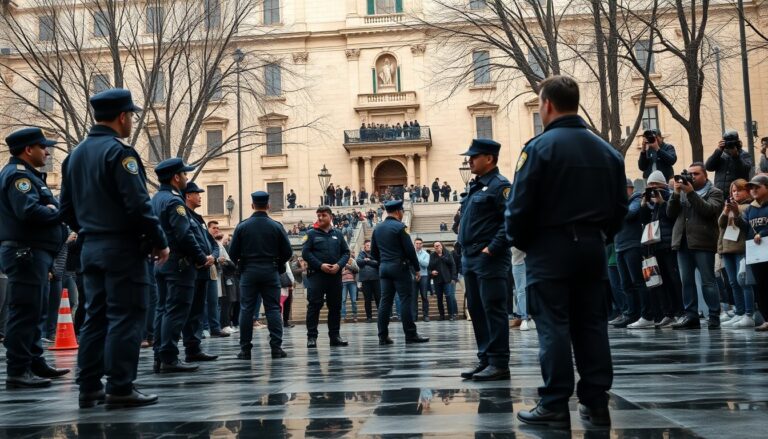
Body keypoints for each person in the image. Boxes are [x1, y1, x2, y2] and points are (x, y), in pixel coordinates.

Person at [506, 76, 627, 427]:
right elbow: (621, 207)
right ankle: (596, 402)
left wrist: (523, 241)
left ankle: (555, 402)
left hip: (550, 247)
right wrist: (601, 237)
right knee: (592, 326)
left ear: (546, 105)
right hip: (592, 247)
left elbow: (519, 206)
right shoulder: (608, 152)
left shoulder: (539, 148)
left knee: (553, 326)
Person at [60, 89, 169, 408]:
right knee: (127, 316)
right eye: (131, 117)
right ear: (122, 117)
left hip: (91, 247)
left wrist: (89, 230)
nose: (132, 122)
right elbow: (137, 205)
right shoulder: (120, 153)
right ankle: (121, 386)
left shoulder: (74, 156)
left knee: (95, 316)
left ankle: (89, 386)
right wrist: (159, 241)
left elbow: (65, 208)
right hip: (121, 249)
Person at [1, 128, 69, 389]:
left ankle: (34, 361)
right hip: (25, 252)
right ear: (28, 150)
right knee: (24, 312)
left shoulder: (27, 175)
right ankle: (18, 370)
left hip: (34, 253)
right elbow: (28, 210)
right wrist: (55, 211)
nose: (47, 152)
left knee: (35, 310)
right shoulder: (19, 177)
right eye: (43, 147)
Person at [455, 138, 512, 383]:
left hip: (489, 258)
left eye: (474, 156)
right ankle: (485, 359)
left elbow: (509, 222)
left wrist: (492, 248)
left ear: (489, 158)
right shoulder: (476, 187)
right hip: (470, 257)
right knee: (477, 310)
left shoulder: (501, 186)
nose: (469, 161)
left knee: (493, 309)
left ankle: (499, 362)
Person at [151, 158, 215, 374]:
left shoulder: (156, 199)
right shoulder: (174, 202)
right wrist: (199, 257)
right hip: (179, 265)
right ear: (176, 177)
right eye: (185, 174)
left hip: (161, 263)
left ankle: (160, 355)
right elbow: (184, 234)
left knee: (162, 309)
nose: (187, 178)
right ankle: (169, 357)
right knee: (176, 311)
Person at [228, 191, 293, 360]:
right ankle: (276, 348)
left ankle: (245, 349)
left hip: (248, 271)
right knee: (273, 308)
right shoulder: (276, 226)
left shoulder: (242, 226)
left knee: (246, 309)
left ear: (252, 205)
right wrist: (278, 265)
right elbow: (287, 251)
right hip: (270, 270)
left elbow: (232, 253)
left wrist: (240, 267)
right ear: (268, 205)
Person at [667, 163, 724, 329]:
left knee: (708, 282)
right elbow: (670, 214)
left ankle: (714, 316)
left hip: (703, 242)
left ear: (705, 175)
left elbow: (709, 211)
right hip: (682, 242)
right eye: (690, 173)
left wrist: (690, 192)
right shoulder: (682, 192)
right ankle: (691, 316)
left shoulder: (715, 192)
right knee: (687, 282)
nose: (692, 177)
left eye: (696, 174)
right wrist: (676, 194)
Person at [371, 200, 429, 345]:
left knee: (385, 302)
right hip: (399, 267)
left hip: (384, 268)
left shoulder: (377, 228)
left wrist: (383, 262)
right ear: (398, 211)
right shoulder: (400, 227)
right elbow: (410, 251)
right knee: (405, 300)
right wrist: (416, 269)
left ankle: (382, 336)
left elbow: (373, 253)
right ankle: (410, 334)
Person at [638, 171, 682, 327]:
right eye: (650, 185)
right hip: (655, 246)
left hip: (668, 244)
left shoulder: (670, 197)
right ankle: (668, 313)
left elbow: (671, 216)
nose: (653, 188)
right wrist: (644, 204)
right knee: (660, 281)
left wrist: (662, 202)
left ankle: (679, 312)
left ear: (663, 185)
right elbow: (644, 221)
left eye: (655, 185)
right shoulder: (651, 202)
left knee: (674, 280)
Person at [182, 182, 222, 353]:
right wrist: (201, 257)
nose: (199, 196)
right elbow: (186, 239)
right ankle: (190, 345)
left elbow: (213, 243)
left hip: (204, 267)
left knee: (198, 309)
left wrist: (213, 256)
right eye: (196, 193)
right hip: (193, 268)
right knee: (190, 309)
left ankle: (195, 346)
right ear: (187, 196)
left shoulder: (198, 218)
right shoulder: (183, 215)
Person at [302, 206, 350, 348]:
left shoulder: (338, 234)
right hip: (317, 276)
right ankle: (311, 338)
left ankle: (335, 336)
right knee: (314, 306)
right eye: (318, 215)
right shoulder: (310, 234)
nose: (320, 218)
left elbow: (346, 253)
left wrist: (339, 265)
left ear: (330, 217)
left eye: (323, 215)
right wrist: (320, 265)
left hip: (334, 276)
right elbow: (306, 254)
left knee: (335, 307)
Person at [612, 179, 654, 329]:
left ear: (629, 188)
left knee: (638, 282)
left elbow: (629, 214)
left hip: (632, 245)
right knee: (625, 284)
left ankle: (646, 315)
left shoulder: (636, 199)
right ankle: (631, 314)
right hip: (620, 246)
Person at [718, 179, 755, 328]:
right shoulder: (728, 206)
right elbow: (720, 224)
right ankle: (739, 312)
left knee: (744, 282)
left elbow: (745, 226)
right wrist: (726, 211)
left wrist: (735, 211)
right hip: (727, 248)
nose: (736, 193)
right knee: (733, 283)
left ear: (747, 191)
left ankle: (749, 313)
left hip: (741, 248)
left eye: (739, 190)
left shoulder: (749, 207)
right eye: (733, 191)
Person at [740, 175, 768, 330]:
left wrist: (763, 232)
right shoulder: (750, 208)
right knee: (760, 286)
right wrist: (734, 216)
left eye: (758, 187)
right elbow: (745, 229)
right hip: (757, 253)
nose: (754, 190)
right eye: (752, 187)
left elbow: (760, 231)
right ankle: (767, 319)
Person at [705, 130, 753, 196]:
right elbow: (708, 167)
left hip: (737, 194)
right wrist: (718, 150)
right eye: (727, 142)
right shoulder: (720, 154)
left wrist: (736, 157)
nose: (729, 144)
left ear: (737, 142)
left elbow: (745, 170)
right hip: (720, 194)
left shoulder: (744, 155)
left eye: (732, 142)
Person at [428, 241, 457, 320]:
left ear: (441, 246)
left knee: (449, 297)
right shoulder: (432, 255)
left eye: (438, 245)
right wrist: (431, 272)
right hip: (437, 280)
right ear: (434, 247)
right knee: (439, 298)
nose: (437, 247)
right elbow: (429, 268)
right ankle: (442, 315)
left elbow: (452, 265)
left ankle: (451, 315)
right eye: (435, 246)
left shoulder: (447, 253)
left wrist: (454, 278)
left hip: (447, 280)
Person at [356, 240, 381, 323]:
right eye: (367, 245)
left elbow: (377, 263)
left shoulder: (375, 253)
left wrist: (367, 260)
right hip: (365, 280)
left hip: (376, 279)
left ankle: (381, 316)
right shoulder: (361, 254)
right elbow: (358, 262)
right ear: (364, 246)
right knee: (367, 299)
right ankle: (369, 317)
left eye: (370, 245)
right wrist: (369, 261)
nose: (368, 246)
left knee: (378, 298)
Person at [414, 238, 431, 322]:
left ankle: (426, 315)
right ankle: (414, 315)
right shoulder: (411, 253)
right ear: (414, 244)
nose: (418, 245)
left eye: (420, 243)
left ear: (422, 244)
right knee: (414, 297)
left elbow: (426, 264)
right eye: (416, 243)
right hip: (413, 276)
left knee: (424, 295)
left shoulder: (426, 254)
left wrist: (416, 258)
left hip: (423, 275)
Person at [341, 252, 359, 322]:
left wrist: (348, 266)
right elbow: (339, 271)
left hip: (352, 282)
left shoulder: (352, 260)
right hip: (343, 282)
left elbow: (357, 269)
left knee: (354, 300)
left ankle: (355, 316)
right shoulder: (341, 261)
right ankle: (343, 316)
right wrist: (345, 271)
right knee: (343, 300)